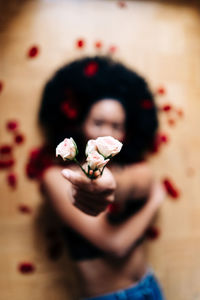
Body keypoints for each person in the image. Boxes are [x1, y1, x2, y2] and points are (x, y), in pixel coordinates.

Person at [38, 56, 166, 299]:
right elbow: (116, 245)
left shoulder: (135, 170)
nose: (106, 132)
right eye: (98, 123)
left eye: (116, 126)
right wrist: (154, 202)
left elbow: (133, 183)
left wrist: (114, 185)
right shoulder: (55, 177)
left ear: (125, 132)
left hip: (150, 287)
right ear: (80, 125)